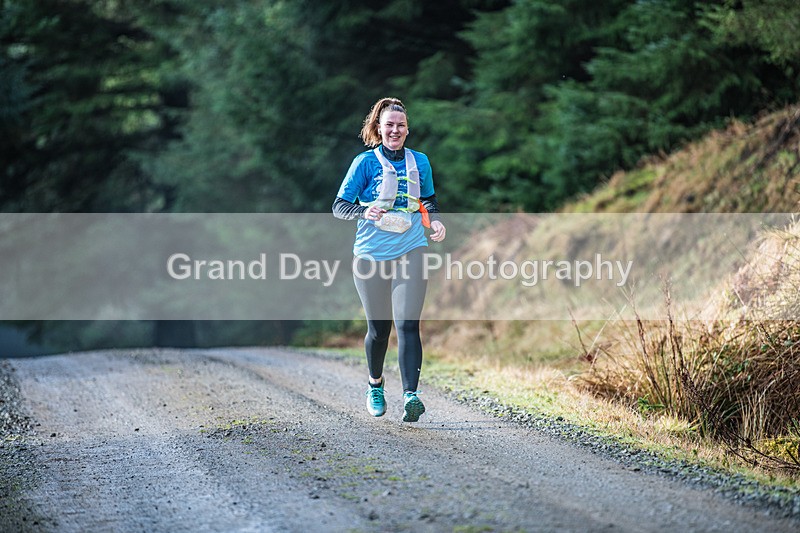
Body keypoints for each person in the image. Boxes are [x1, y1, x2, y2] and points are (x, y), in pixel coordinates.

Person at [332, 97, 446, 422]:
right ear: (378, 129)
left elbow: (427, 199)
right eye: (389, 125)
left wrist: (434, 221)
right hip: (370, 255)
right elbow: (339, 206)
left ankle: (411, 396)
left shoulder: (420, 161)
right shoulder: (364, 163)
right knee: (380, 330)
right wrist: (364, 210)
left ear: (407, 129)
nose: (395, 130)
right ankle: (375, 384)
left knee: (408, 324)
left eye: (400, 125)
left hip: (412, 247)